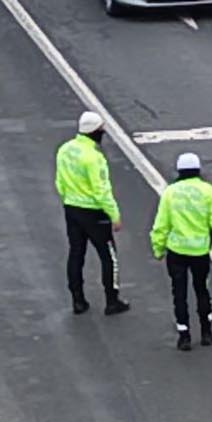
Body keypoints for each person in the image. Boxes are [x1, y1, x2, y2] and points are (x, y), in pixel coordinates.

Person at [149, 150, 212, 351]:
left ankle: (184, 335)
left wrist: (158, 247)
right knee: (202, 289)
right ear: (198, 170)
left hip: (176, 250)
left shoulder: (170, 192)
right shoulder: (208, 191)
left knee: (179, 293)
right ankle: (206, 331)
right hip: (199, 251)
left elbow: (161, 224)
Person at [56, 110, 127, 316]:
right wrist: (114, 214)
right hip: (95, 214)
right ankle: (112, 301)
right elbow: (101, 190)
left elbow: (59, 181)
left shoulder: (65, 150)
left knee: (76, 253)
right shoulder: (94, 157)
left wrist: (68, 199)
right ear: (96, 132)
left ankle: (78, 300)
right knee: (108, 256)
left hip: (72, 208)